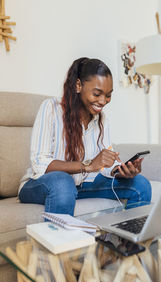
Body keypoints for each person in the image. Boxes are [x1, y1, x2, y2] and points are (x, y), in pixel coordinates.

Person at [18, 57, 151, 215]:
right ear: (79, 85)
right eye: (97, 94)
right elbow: (40, 163)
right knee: (63, 182)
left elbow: (104, 165)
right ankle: (63, 240)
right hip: (40, 185)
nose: (103, 101)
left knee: (140, 184)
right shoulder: (51, 108)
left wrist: (120, 170)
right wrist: (87, 166)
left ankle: (128, 240)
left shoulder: (102, 120)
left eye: (108, 95)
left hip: (81, 185)